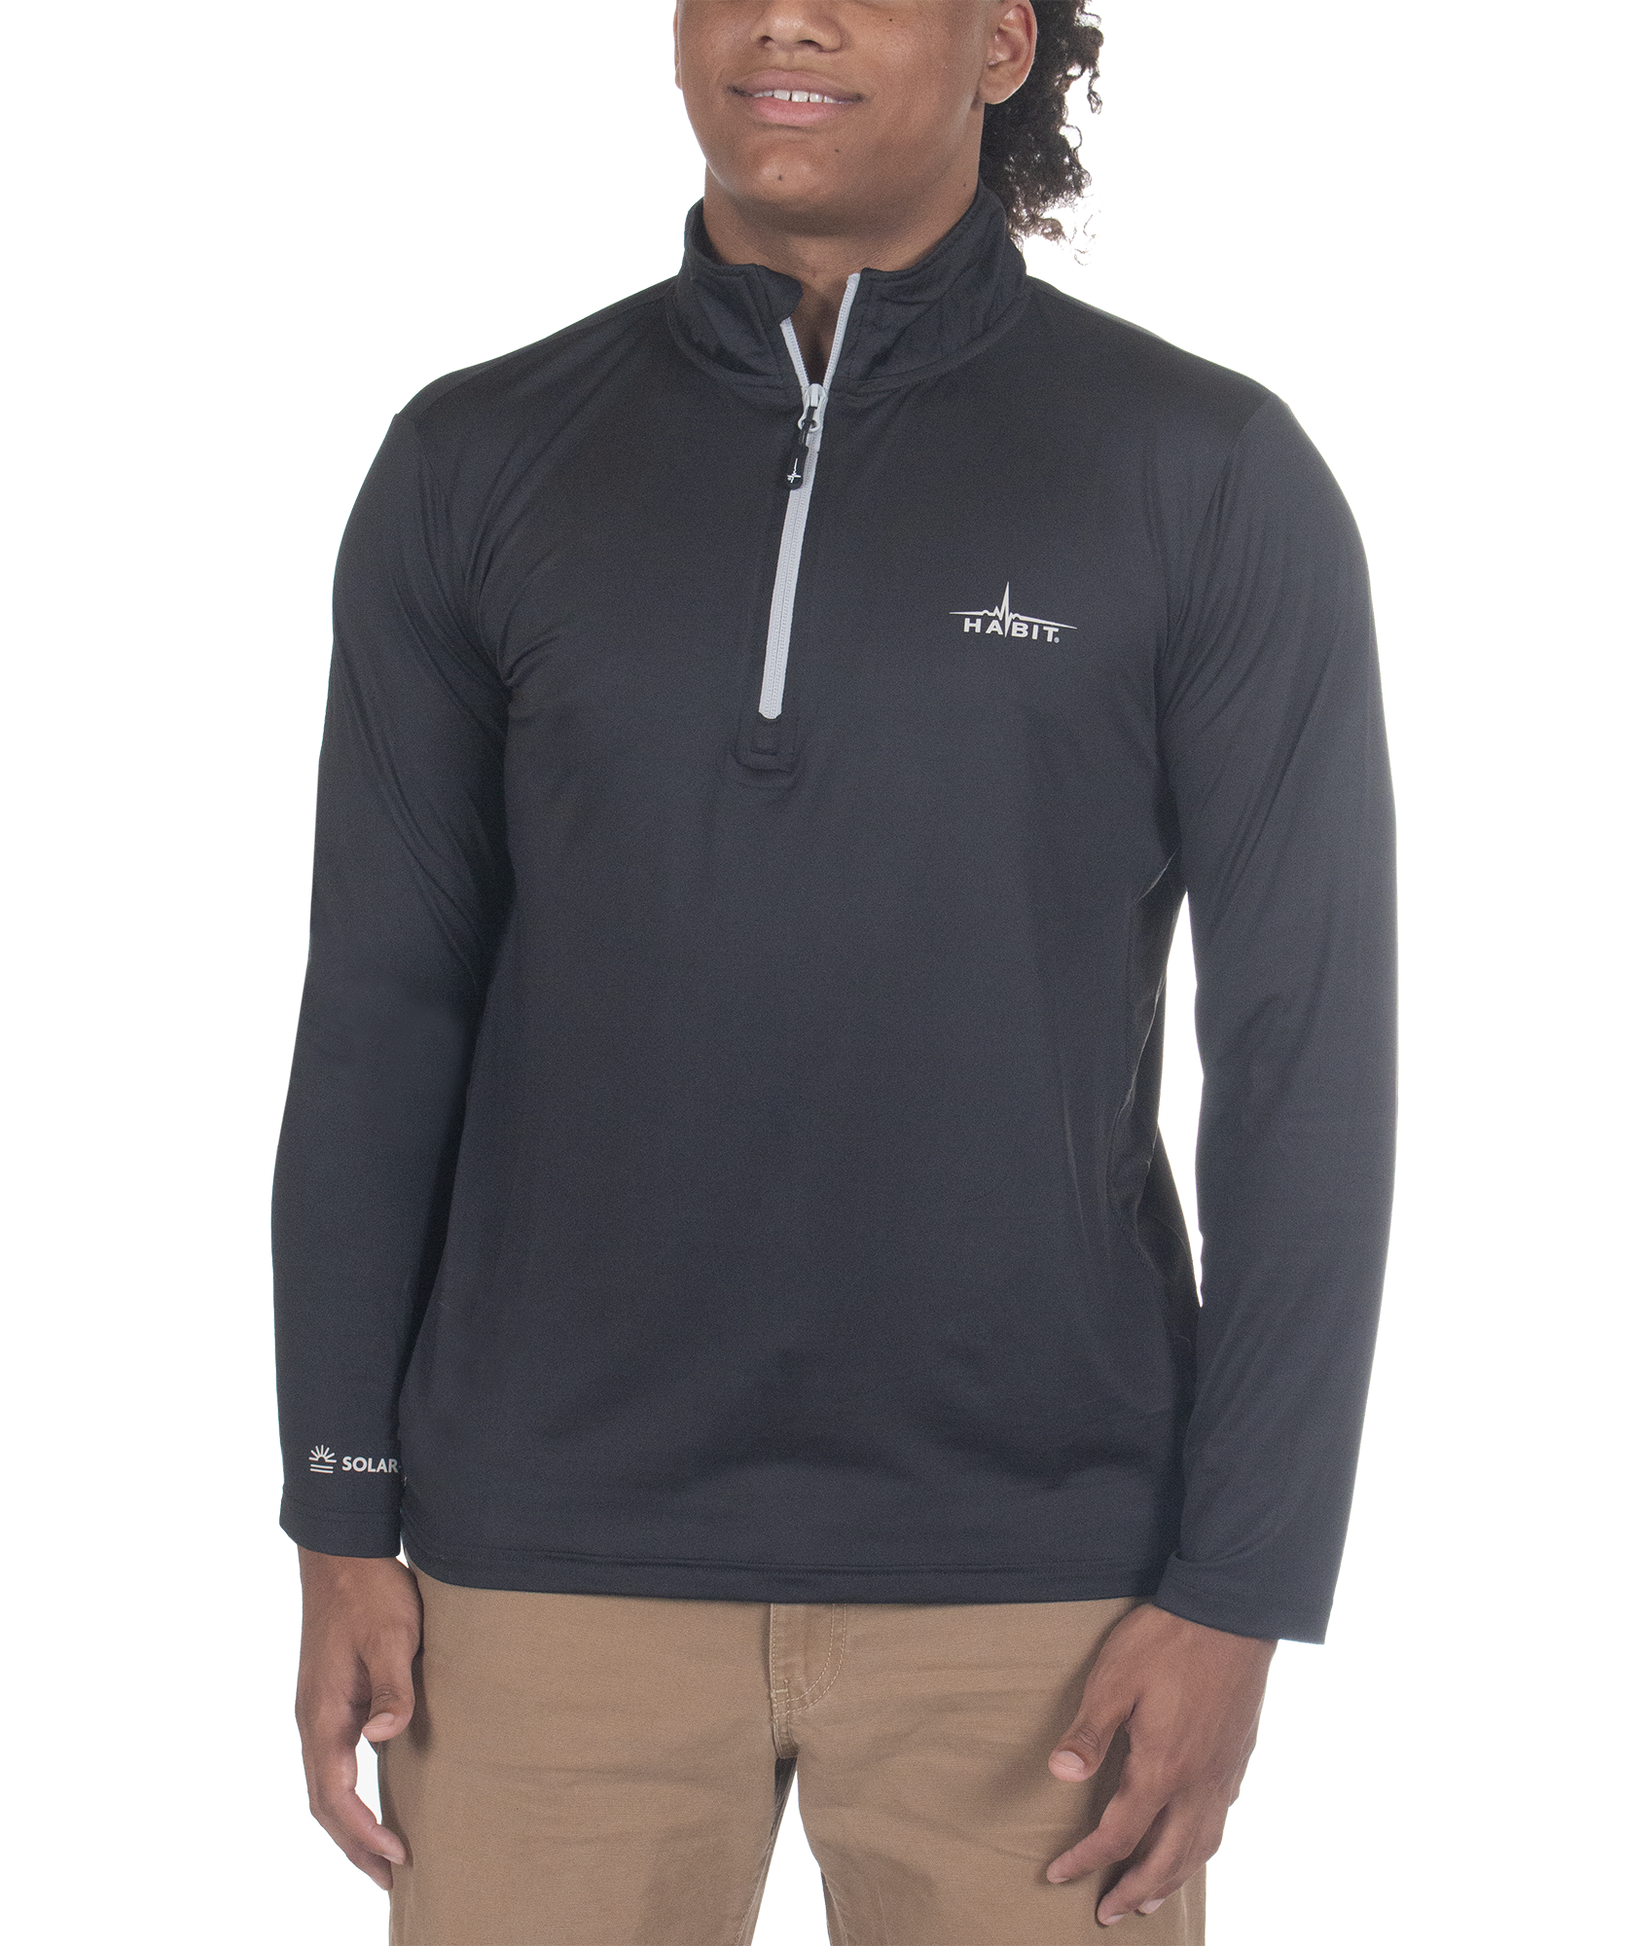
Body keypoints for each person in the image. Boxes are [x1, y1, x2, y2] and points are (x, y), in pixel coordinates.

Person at [272, 2, 1400, 1939]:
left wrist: (1243, 1585)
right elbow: (381, 1008)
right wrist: (335, 1507)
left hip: (1046, 1585)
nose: (782, 13)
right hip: (538, 1570)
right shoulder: (473, 453)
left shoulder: (1204, 464)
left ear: (1001, 42)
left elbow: (1307, 1059)